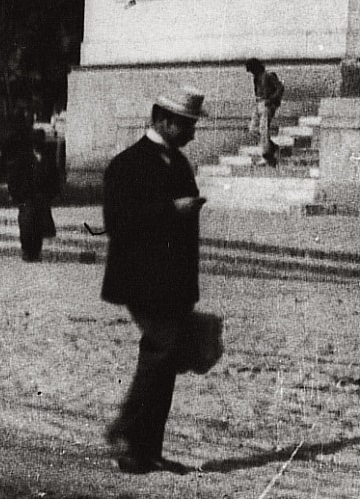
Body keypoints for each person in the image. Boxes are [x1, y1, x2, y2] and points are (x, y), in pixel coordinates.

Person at [101, 85, 206, 475]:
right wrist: (171, 211)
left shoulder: (179, 164)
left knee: (163, 356)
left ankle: (146, 449)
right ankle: (128, 433)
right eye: (187, 125)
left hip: (172, 284)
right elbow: (118, 224)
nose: (193, 133)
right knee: (162, 349)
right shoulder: (127, 164)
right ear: (163, 120)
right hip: (140, 281)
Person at [6, 131, 57, 262]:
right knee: (26, 225)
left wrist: (50, 195)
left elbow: (54, 178)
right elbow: (13, 178)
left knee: (38, 226)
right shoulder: (23, 159)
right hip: (27, 197)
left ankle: (36, 251)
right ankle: (27, 251)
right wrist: (17, 195)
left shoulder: (47, 159)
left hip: (41, 198)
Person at [244, 58, 285, 165]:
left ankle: (266, 155)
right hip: (259, 104)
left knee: (263, 129)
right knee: (253, 129)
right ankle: (272, 147)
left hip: (267, 105)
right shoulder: (256, 78)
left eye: (252, 70)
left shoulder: (268, 75)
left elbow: (280, 88)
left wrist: (271, 100)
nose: (252, 73)